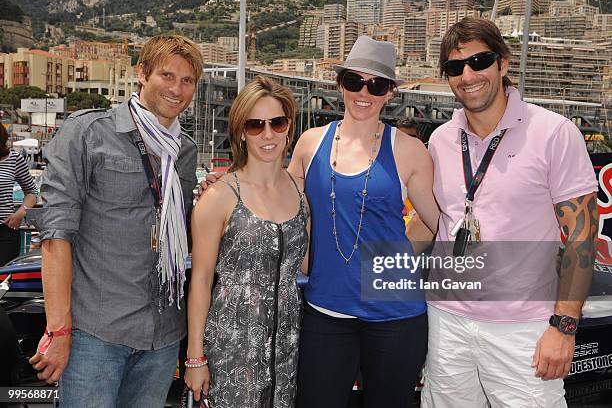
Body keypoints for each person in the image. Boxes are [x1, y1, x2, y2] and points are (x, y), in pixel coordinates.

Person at [421, 18, 598, 407]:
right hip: (446, 321)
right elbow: (435, 222)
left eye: (480, 61)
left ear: (503, 63)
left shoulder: (553, 132)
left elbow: (582, 236)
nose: (468, 76)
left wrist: (564, 327)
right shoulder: (439, 140)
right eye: (454, 67)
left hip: (524, 328)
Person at [27, 35, 203, 407]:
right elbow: (56, 236)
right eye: (167, 76)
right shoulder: (88, 133)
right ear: (142, 73)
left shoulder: (185, 151)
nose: (177, 89)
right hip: (97, 335)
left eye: (187, 81)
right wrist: (59, 330)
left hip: (162, 336)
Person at [288, 36, 439, 408]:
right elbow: (282, 205)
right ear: (340, 84)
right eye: (355, 81)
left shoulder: (408, 150)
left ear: (389, 93)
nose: (364, 92)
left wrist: (389, 261)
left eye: (377, 85)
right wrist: (225, 184)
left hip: (396, 316)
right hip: (326, 309)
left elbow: (436, 222)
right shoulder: (309, 144)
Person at [184, 76, 309, 407]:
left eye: (277, 123)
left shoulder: (302, 193)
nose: (268, 135)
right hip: (231, 351)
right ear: (241, 132)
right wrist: (195, 358)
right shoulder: (219, 197)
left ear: (289, 127)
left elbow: (307, 263)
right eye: (255, 125)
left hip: (287, 351)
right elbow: (200, 281)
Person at [0, 123, 38, 266]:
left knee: (3, 282)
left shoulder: (14, 159)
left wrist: (20, 214)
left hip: (5, 232)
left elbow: (32, 192)